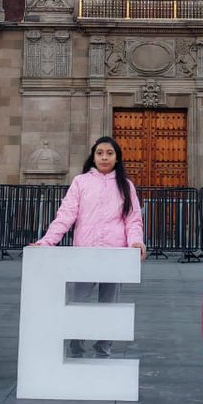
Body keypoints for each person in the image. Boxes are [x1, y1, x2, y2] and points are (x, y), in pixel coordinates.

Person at [34, 136, 146, 358]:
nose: (104, 157)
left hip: (115, 253)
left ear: (117, 158)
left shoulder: (126, 185)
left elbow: (133, 218)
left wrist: (136, 241)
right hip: (85, 252)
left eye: (109, 153)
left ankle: (104, 345)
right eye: (100, 153)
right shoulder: (81, 182)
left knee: (110, 302)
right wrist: (46, 241)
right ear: (93, 156)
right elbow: (66, 215)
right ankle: (76, 341)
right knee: (78, 299)